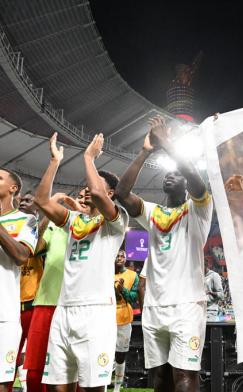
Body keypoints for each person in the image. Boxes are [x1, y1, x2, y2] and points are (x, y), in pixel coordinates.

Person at [115, 116, 213, 392]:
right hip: (154, 307)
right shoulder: (153, 212)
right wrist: (146, 151)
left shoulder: (199, 209)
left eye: (177, 173)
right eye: (168, 173)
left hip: (187, 305)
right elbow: (122, 192)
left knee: (185, 377)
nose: (171, 174)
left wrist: (167, 142)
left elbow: (195, 177)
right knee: (159, 377)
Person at [34, 133, 129, 391]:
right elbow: (41, 201)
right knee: (58, 387)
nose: (87, 187)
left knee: (91, 388)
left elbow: (98, 193)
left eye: (94, 183)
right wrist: (55, 162)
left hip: (96, 312)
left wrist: (88, 157)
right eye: (87, 184)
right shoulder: (75, 221)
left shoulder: (117, 220)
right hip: (64, 309)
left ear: (110, 193)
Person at [24, 192, 86, 392]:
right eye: (80, 195)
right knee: (35, 370)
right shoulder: (54, 225)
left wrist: (79, 214)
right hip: (47, 302)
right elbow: (34, 245)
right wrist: (48, 211)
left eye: (87, 196)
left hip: (79, 305)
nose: (81, 199)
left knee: (75, 370)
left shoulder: (101, 226)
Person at [0, 168, 38, 392]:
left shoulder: (27, 220)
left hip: (4, 316)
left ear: (13, 188)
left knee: (2, 383)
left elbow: (21, 256)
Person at [7, 192, 45, 392]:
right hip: (9, 304)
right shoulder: (8, 226)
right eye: (22, 201)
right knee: (8, 359)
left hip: (33, 304)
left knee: (34, 360)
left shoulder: (41, 230)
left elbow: (37, 248)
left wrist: (36, 220)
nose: (23, 203)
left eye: (29, 201)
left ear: (38, 209)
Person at [113, 249, 139, 392]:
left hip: (124, 318)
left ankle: (117, 387)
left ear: (126, 258)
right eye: (117, 255)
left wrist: (122, 290)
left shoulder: (133, 275)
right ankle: (103, 385)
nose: (119, 258)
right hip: (106, 317)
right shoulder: (106, 273)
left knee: (120, 355)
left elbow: (134, 298)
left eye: (122, 256)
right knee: (105, 351)